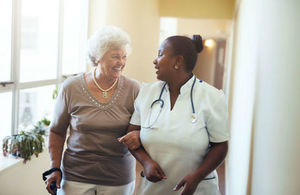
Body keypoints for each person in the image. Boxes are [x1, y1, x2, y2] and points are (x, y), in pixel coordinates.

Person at [119, 35, 230, 195]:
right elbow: (131, 136)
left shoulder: (212, 97)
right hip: (153, 189)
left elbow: (220, 145)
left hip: (197, 190)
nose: (155, 61)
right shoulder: (147, 93)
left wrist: (197, 177)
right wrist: (146, 162)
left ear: (178, 61)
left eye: (160, 54)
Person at [45, 26, 140, 195]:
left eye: (124, 57)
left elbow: (142, 129)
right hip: (75, 176)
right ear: (97, 57)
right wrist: (54, 168)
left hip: (118, 178)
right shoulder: (71, 87)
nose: (121, 62)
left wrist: (139, 135)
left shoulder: (133, 88)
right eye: (115, 57)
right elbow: (57, 131)